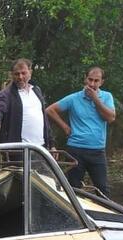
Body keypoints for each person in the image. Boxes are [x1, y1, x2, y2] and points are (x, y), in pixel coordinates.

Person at [45, 67, 116, 195]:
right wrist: (65, 127)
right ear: (85, 79)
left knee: (103, 189)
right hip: (76, 148)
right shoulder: (74, 98)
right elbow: (50, 110)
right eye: (90, 80)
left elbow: (110, 118)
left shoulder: (107, 96)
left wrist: (95, 99)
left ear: (102, 82)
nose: (92, 84)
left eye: (96, 81)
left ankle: (101, 209)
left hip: (97, 149)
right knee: (73, 189)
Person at [0, 59, 53, 150]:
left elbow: (44, 119)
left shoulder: (36, 90)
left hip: (41, 148)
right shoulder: (6, 94)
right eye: (17, 74)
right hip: (18, 149)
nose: (20, 77)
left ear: (30, 73)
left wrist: (51, 144)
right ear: (12, 75)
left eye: (23, 73)